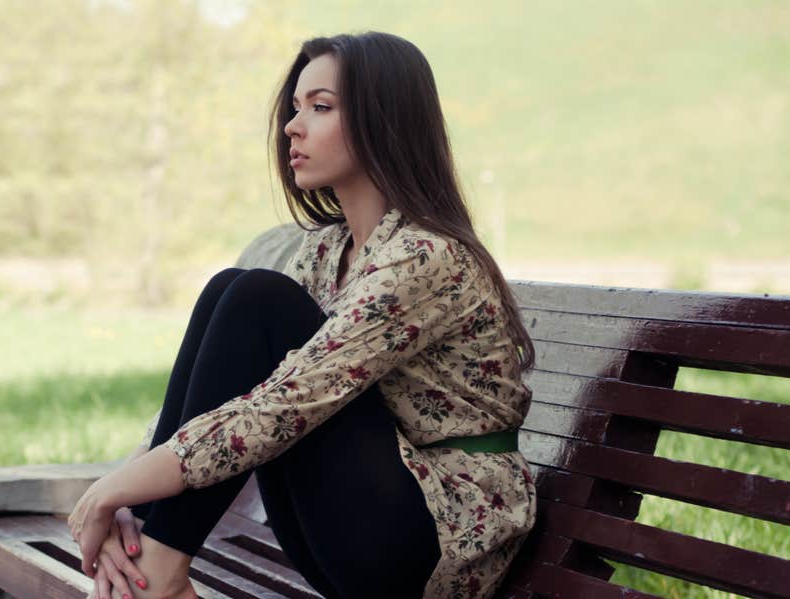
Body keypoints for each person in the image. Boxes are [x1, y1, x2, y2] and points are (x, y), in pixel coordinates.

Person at [67, 31, 538, 599]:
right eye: (296, 108)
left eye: (320, 107)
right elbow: (242, 388)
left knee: (256, 299)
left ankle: (157, 574)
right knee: (232, 290)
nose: (293, 126)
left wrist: (115, 489)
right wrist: (128, 495)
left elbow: (285, 405)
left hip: (438, 544)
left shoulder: (426, 257)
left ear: (381, 119)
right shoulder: (324, 253)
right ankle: (150, 559)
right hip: (352, 528)